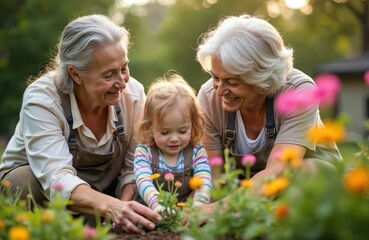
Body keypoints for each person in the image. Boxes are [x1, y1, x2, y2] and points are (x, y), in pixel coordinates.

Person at [0, 14, 161, 234]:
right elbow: (56, 179)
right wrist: (113, 207)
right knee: (23, 181)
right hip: (45, 195)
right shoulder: (43, 99)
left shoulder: (133, 94)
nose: (123, 82)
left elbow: (132, 167)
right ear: (75, 74)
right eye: (109, 74)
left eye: (124, 68)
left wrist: (124, 210)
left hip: (102, 196)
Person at [194, 14, 342, 222]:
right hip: (246, 189)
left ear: (261, 77)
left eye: (231, 82)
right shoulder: (208, 97)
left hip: (301, 183)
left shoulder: (299, 91)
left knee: (309, 171)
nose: (219, 90)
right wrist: (201, 207)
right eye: (215, 77)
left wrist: (216, 210)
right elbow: (213, 171)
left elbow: (279, 171)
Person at [133, 73, 212, 212]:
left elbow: (203, 180)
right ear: (150, 127)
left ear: (192, 125)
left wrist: (199, 205)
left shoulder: (196, 152)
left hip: (184, 212)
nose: (174, 138)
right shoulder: (145, 152)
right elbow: (143, 181)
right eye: (165, 132)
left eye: (182, 131)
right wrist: (158, 205)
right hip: (149, 211)